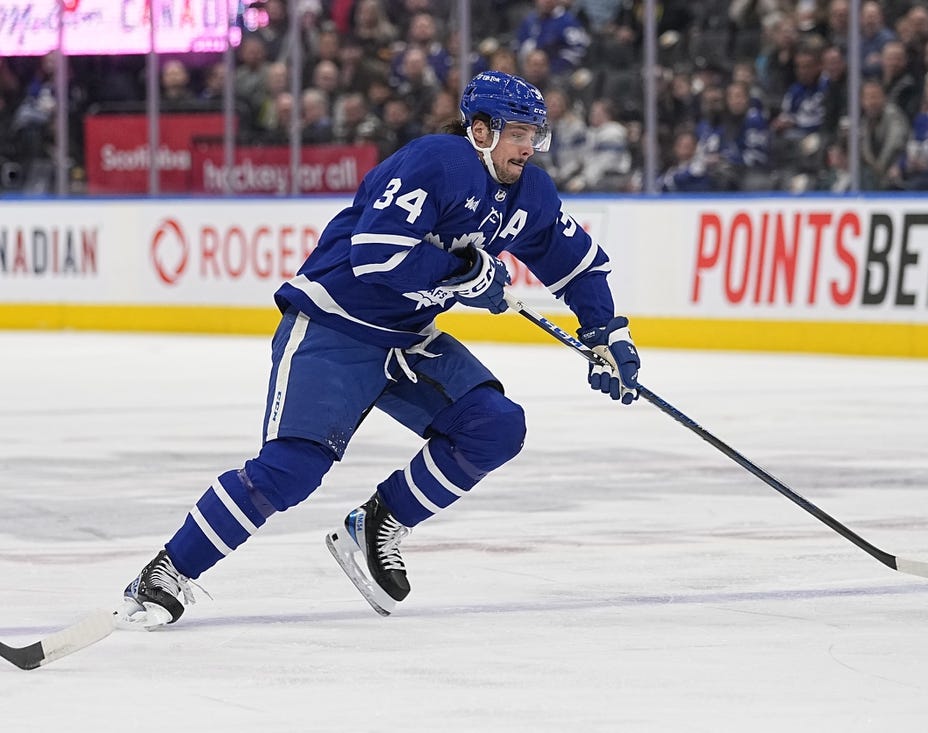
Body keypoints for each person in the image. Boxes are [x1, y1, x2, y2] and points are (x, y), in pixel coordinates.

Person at [117, 71, 642, 627]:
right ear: (481, 131)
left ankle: (377, 522)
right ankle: (168, 570)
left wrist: (607, 333)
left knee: (494, 425)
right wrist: (465, 273)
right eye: (517, 133)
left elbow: (577, 262)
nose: (529, 147)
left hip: (409, 337)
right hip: (336, 326)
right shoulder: (438, 161)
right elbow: (376, 255)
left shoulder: (531, 192)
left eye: (535, 134)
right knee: (293, 468)